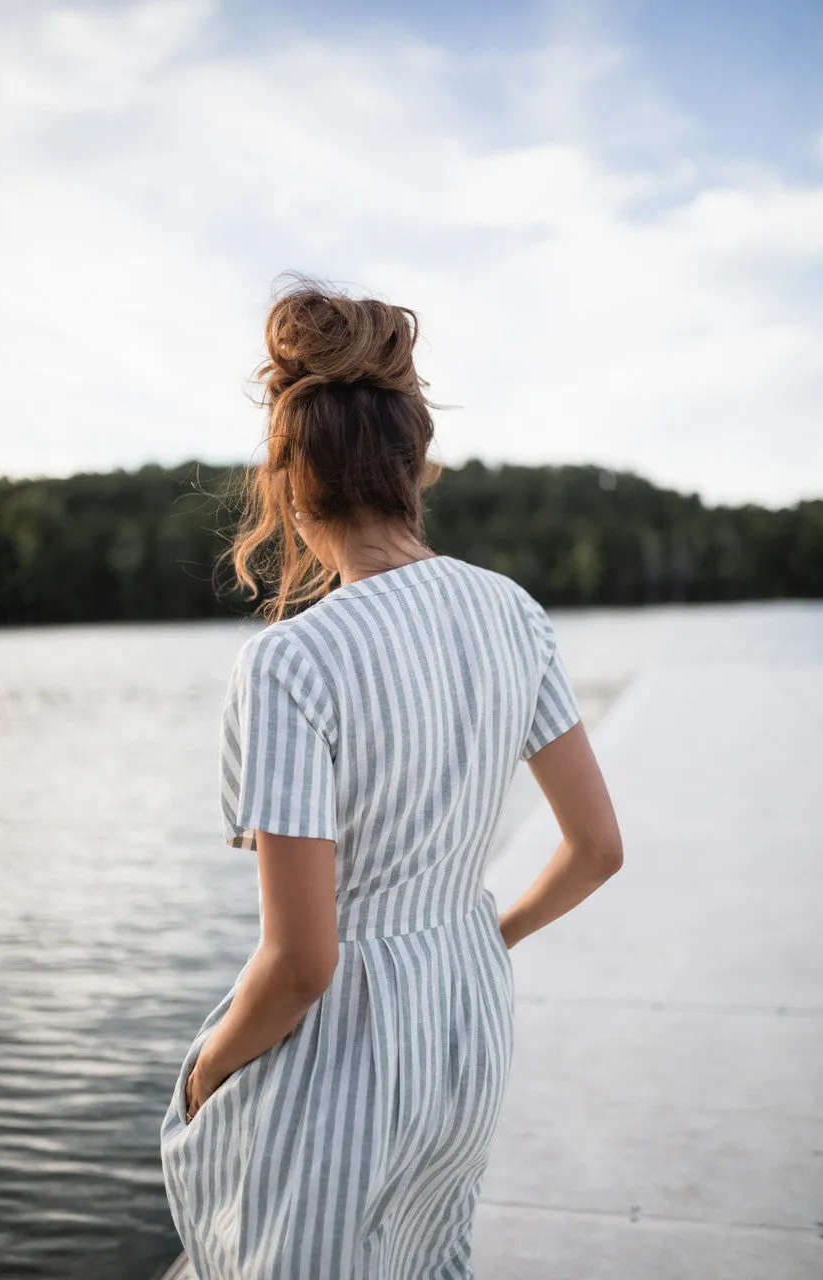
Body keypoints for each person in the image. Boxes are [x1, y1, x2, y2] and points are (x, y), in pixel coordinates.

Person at [159, 271, 624, 1279]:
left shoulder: (292, 660)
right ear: (415, 462)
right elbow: (595, 849)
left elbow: (303, 961)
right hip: (464, 1020)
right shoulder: (512, 611)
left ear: (289, 481)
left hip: (344, 1055)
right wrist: (478, 931)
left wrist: (204, 1069)